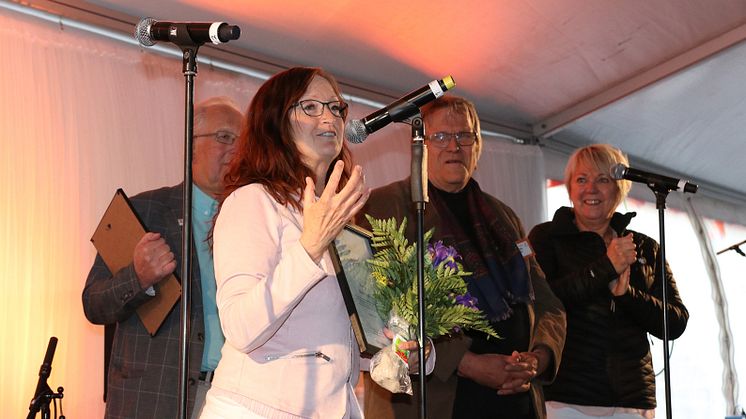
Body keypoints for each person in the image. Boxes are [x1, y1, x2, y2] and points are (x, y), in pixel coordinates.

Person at [199, 67, 431, 419]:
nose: (330, 117)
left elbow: (350, 336)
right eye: (310, 107)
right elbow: (241, 327)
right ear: (275, 122)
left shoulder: (341, 222)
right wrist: (309, 248)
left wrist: (412, 351)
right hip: (256, 409)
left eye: (336, 107)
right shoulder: (253, 201)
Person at [360, 95, 566, 419]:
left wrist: (537, 359)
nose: (454, 146)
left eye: (464, 136)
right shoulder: (386, 207)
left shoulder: (505, 218)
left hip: (516, 400)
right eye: (440, 136)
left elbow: (546, 301)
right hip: (439, 401)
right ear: (419, 145)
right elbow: (377, 309)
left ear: (478, 144)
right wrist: (466, 363)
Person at [82, 96, 243, 418]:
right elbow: (94, 304)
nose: (237, 151)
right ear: (191, 144)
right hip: (156, 396)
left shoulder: (252, 221)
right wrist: (138, 277)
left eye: (244, 143)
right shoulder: (144, 211)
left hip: (236, 396)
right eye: (225, 137)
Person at [528, 144, 690, 418]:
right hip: (567, 397)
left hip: (633, 399)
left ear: (620, 189)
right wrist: (605, 267)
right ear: (569, 188)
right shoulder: (546, 238)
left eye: (603, 179)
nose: (591, 188)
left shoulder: (646, 247)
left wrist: (627, 295)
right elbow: (542, 302)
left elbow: (675, 321)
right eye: (582, 179)